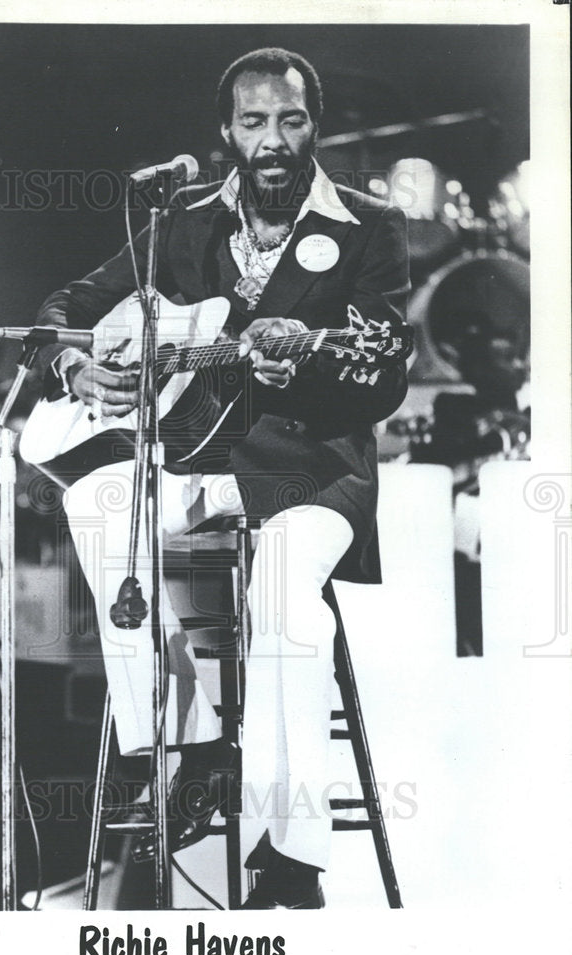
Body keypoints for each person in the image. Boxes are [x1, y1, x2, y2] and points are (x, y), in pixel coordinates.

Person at [27, 47, 409, 908]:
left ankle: (289, 855)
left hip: (314, 470)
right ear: (226, 132)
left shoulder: (368, 224)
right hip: (199, 459)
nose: (272, 140)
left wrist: (306, 365)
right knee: (97, 501)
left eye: (291, 120)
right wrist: (73, 368)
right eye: (253, 121)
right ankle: (188, 744)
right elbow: (66, 309)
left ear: (315, 125)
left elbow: (383, 374)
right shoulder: (183, 221)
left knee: (283, 594)